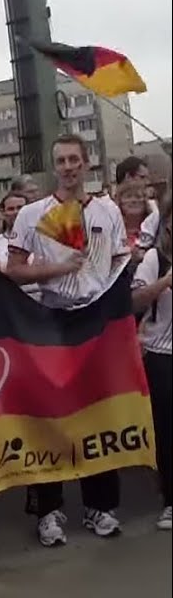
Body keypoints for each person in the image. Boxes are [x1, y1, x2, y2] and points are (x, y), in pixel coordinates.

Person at [5, 134, 131, 546]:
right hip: (52, 320)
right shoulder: (32, 214)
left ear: (86, 163)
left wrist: (107, 291)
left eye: (74, 159)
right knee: (50, 417)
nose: (68, 167)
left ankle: (100, 506)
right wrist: (56, 270)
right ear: (53, 166)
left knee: (99, 415)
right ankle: (48, 510)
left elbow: (119, 262)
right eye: (61, 160)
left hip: (97, 321)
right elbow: (14, 269)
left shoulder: (108, 210)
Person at [131, 199, 172, 531]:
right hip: (161, 355)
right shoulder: (154, 260)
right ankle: (170, 501)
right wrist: (165, 282)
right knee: (167, 431)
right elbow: (134, 300)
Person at [114, 156, 161, 250]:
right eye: (142, 177)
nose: (147, 182)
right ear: (128, 177)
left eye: (138, 197)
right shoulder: (108, 212)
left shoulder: (154, 212)